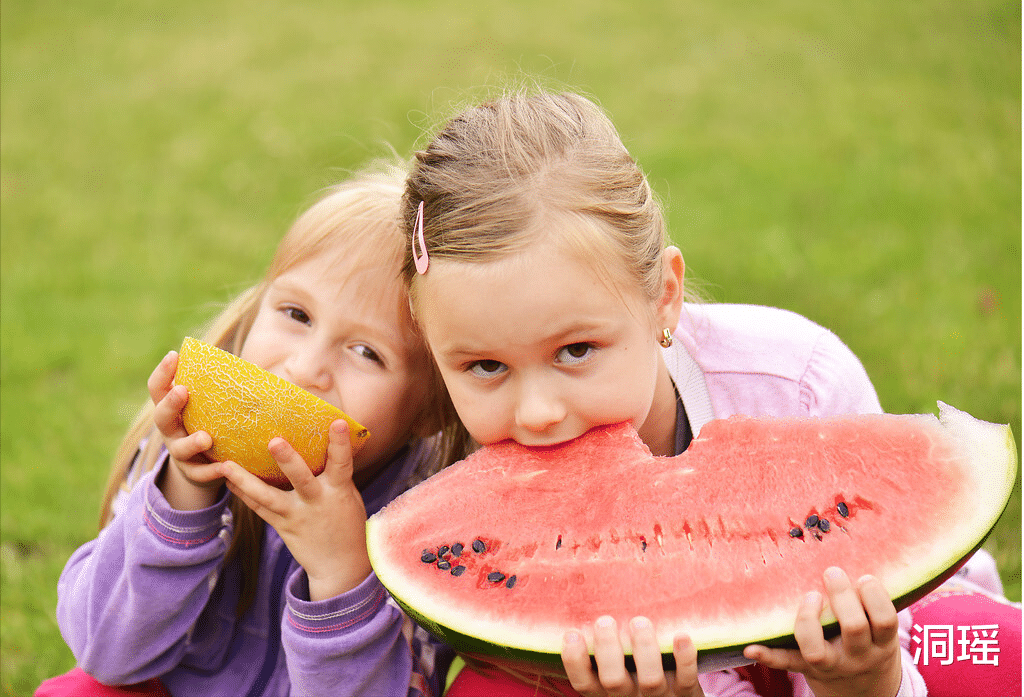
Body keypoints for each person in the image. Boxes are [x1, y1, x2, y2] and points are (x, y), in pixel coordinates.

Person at [397, 90, 943, 697]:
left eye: (576, 352)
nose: (539, 413)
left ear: (664, 295)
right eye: (485, 366)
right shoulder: (456, 495)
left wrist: (869, 682)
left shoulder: (799, 389)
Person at [37, 163, 467, 697]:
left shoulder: (426, 530)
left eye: (366, 352)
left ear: (430, 411)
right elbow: (105, 652)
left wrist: (342, 577)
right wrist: (184, 496)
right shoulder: (183, 441)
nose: (307, 368)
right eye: (296, 314)